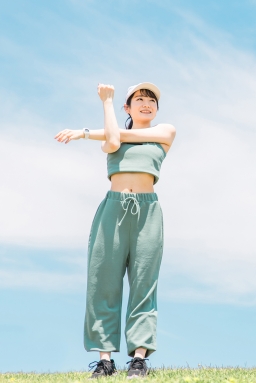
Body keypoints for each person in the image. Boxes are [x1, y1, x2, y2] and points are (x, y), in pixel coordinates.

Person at [55, 82, 176, 379]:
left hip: (148, 211)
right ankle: (105, 360)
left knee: (144, 284)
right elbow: (112, 141)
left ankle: (138, 359)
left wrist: (84, 132)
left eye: (151, 101)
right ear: (127, 107)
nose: (146, 104)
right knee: (103, 283)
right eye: (139, 99)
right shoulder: (112, 134)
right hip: (113, 209)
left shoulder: (166, 132)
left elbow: (119, 135)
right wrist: (106, 103)